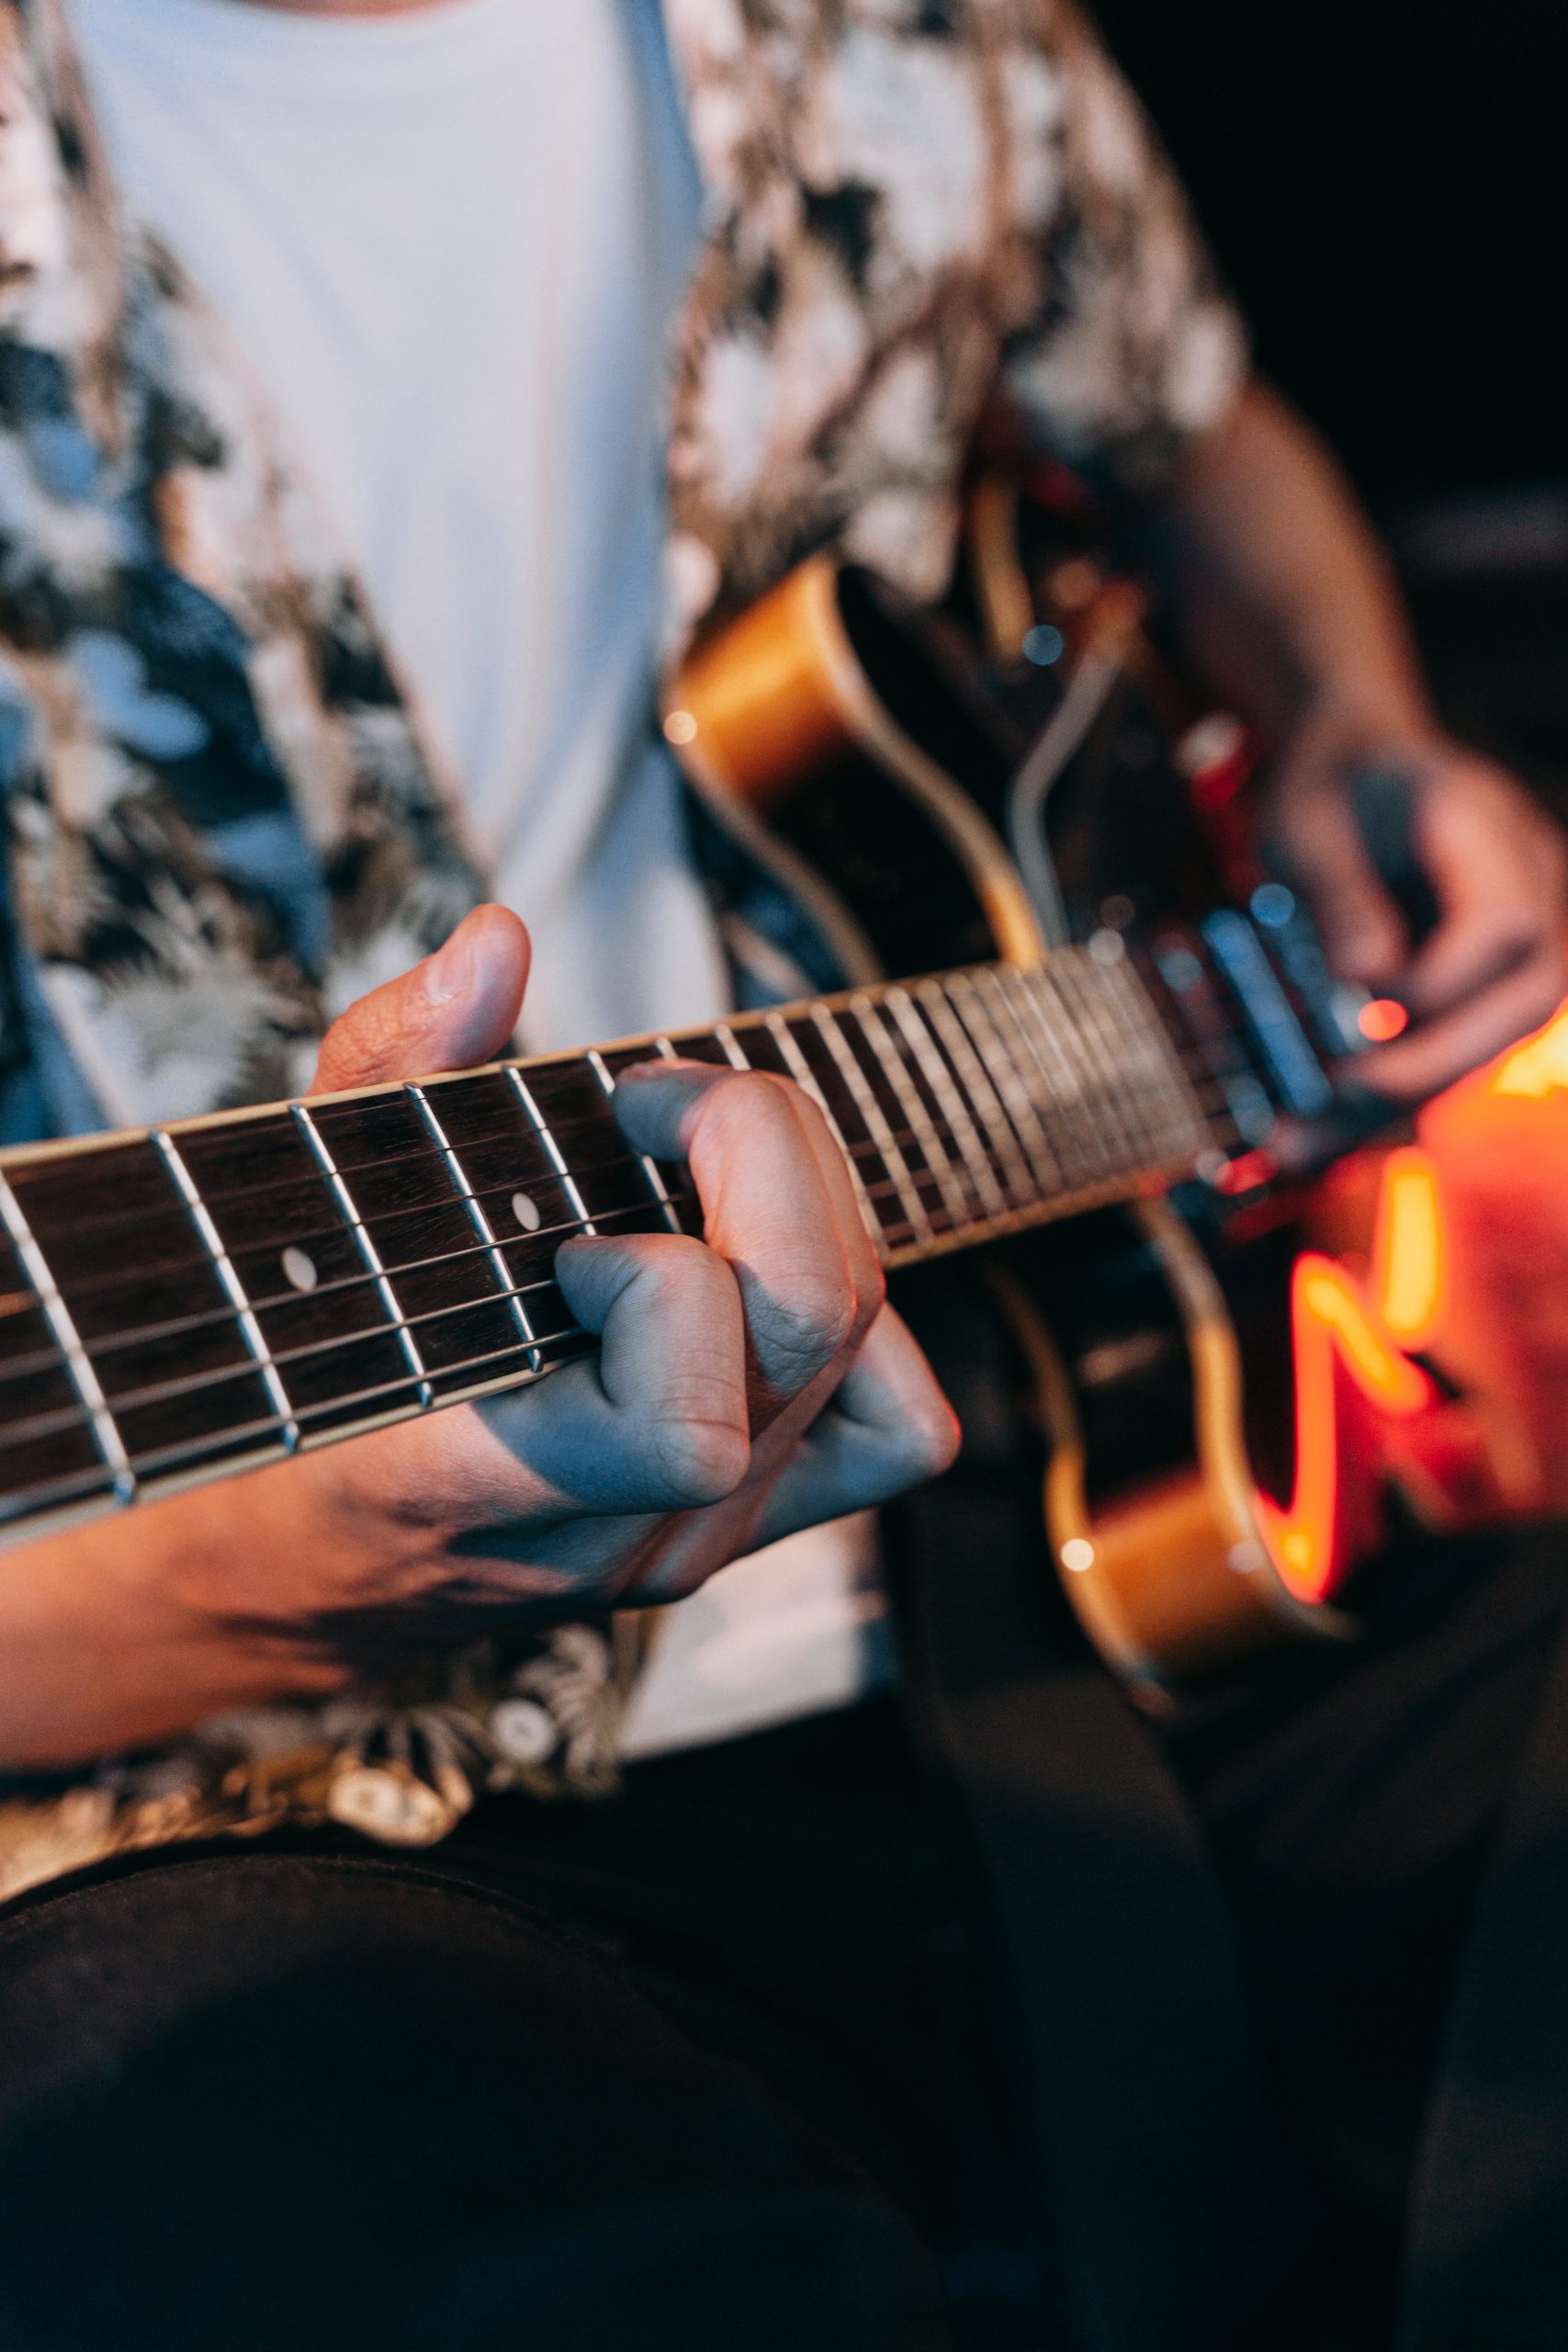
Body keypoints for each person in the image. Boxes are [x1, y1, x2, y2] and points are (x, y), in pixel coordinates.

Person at [0, 2, 1564, 2346]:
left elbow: (1189, 414)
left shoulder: (907, 27)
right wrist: (325, 1576)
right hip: (263, 1801)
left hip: (1089, 1499)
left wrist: (1346, 712)